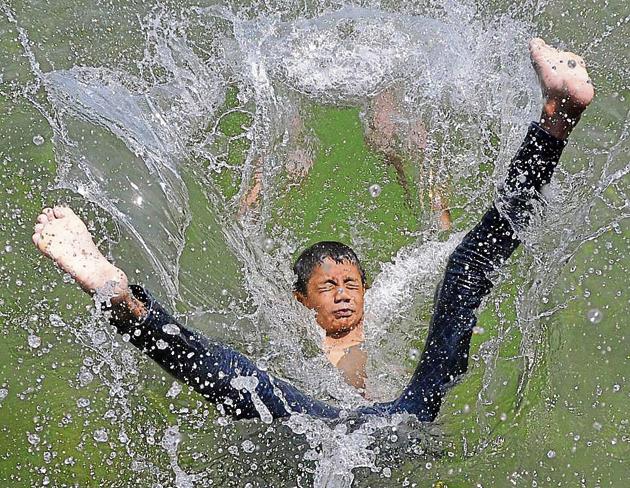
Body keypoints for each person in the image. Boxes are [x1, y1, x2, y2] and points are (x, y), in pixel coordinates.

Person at [32, 38, 593, 422]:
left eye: (350, 284)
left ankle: (555, 121)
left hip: (404, 416)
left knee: (465, 269)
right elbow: (239, 241)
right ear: (301, 300)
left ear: (368, 288)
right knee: (233, 376)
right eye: (328, 289)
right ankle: (121, 297)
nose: (344, 295)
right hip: (319, 424)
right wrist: (268, 175)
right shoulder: (293, 332)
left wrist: (406, 158)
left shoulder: (389, 305)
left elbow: (440, 240)